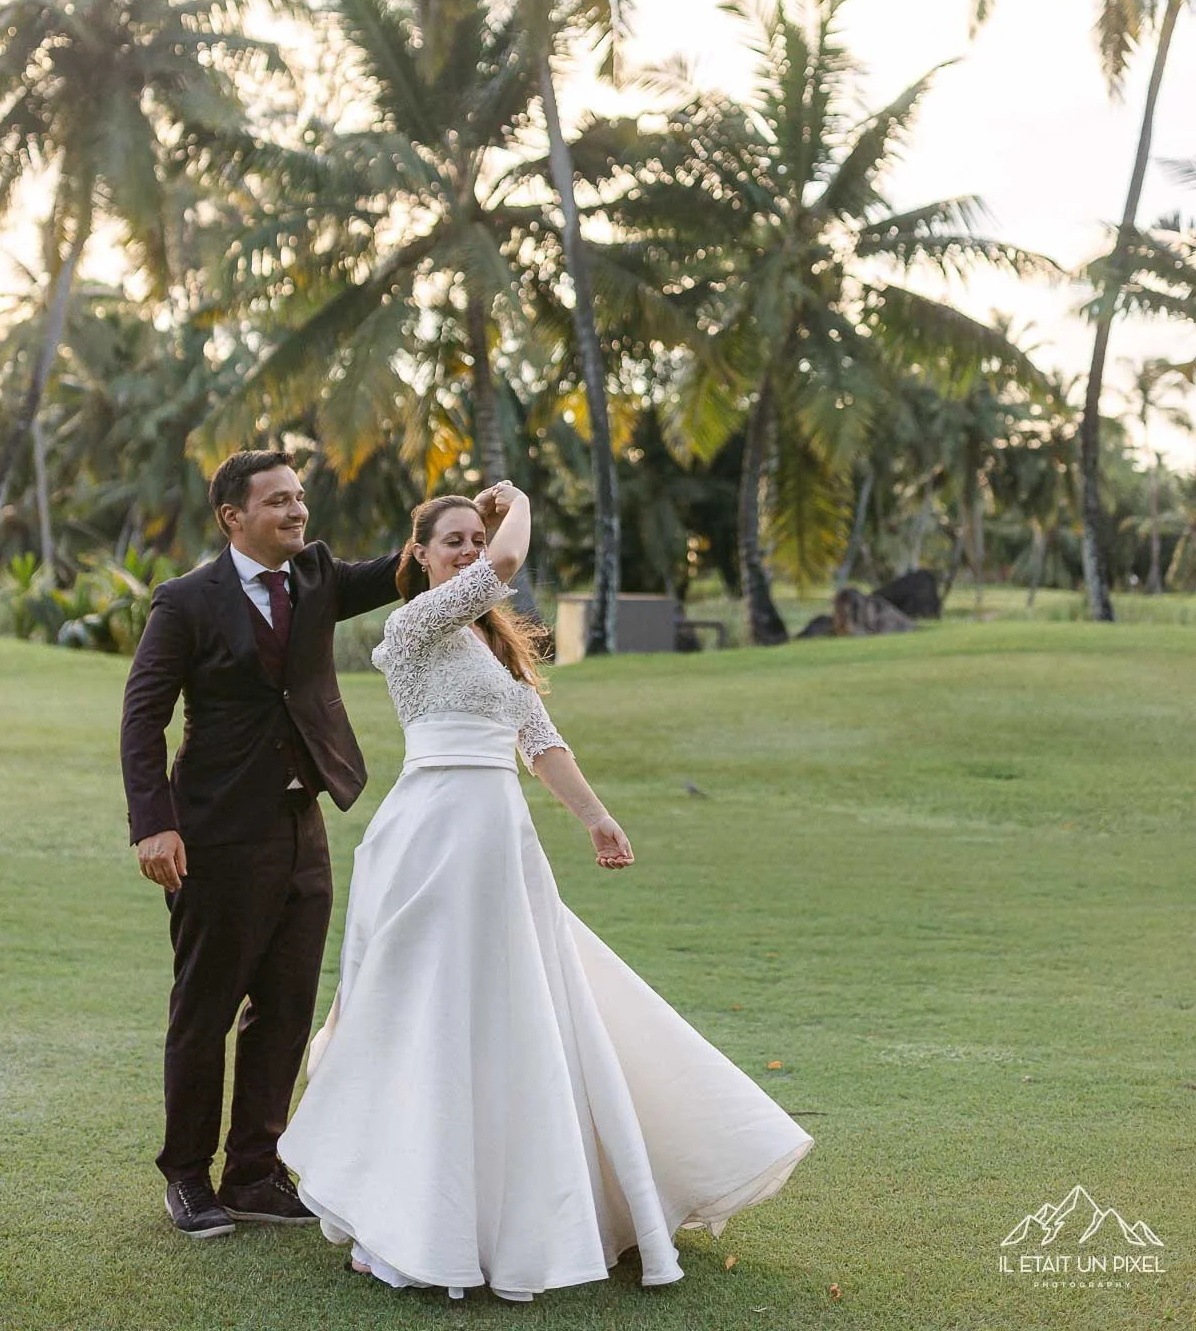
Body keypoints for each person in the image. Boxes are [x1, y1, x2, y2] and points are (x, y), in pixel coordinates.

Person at [278, 480, 815, 1301]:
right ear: (418, 556)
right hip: (432, 833)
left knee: (518, 1008)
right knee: (427, 1009)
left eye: (469, 537)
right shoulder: (411, 627)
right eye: (448, 540)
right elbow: (507, 560)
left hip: (501, 838)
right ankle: (407, 1213)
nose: (464, 550)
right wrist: (513, 504)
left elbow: (540, 742)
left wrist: (597, 819)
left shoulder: (494, 652)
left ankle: (529, 1210)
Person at [120, 449, 438, 1239]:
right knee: (206, 1009)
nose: (298, 512)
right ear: (234, 517)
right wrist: (153, 822)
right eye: (278, 502)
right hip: (216, 835)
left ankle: (254, 1173)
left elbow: (410, 570)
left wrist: (472, 527)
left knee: (288, 1005)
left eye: (300, 498)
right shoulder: (185, 601)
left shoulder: (317, 578)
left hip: (303, 829)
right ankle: (188, 1177)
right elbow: (142, 714)